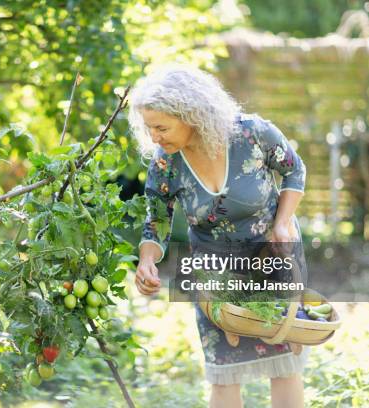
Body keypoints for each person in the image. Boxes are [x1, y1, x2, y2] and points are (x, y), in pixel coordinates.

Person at [128, 64, 309, 408]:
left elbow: (294, 169)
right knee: (224, 370)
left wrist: (283, 223)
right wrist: (148, 260)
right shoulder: (166, 163)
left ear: (191, 115)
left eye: (161, 127)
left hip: (272, 262)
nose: (154, 137)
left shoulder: (252, 134)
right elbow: (157, 218)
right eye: (149, 128)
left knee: (284, 365)